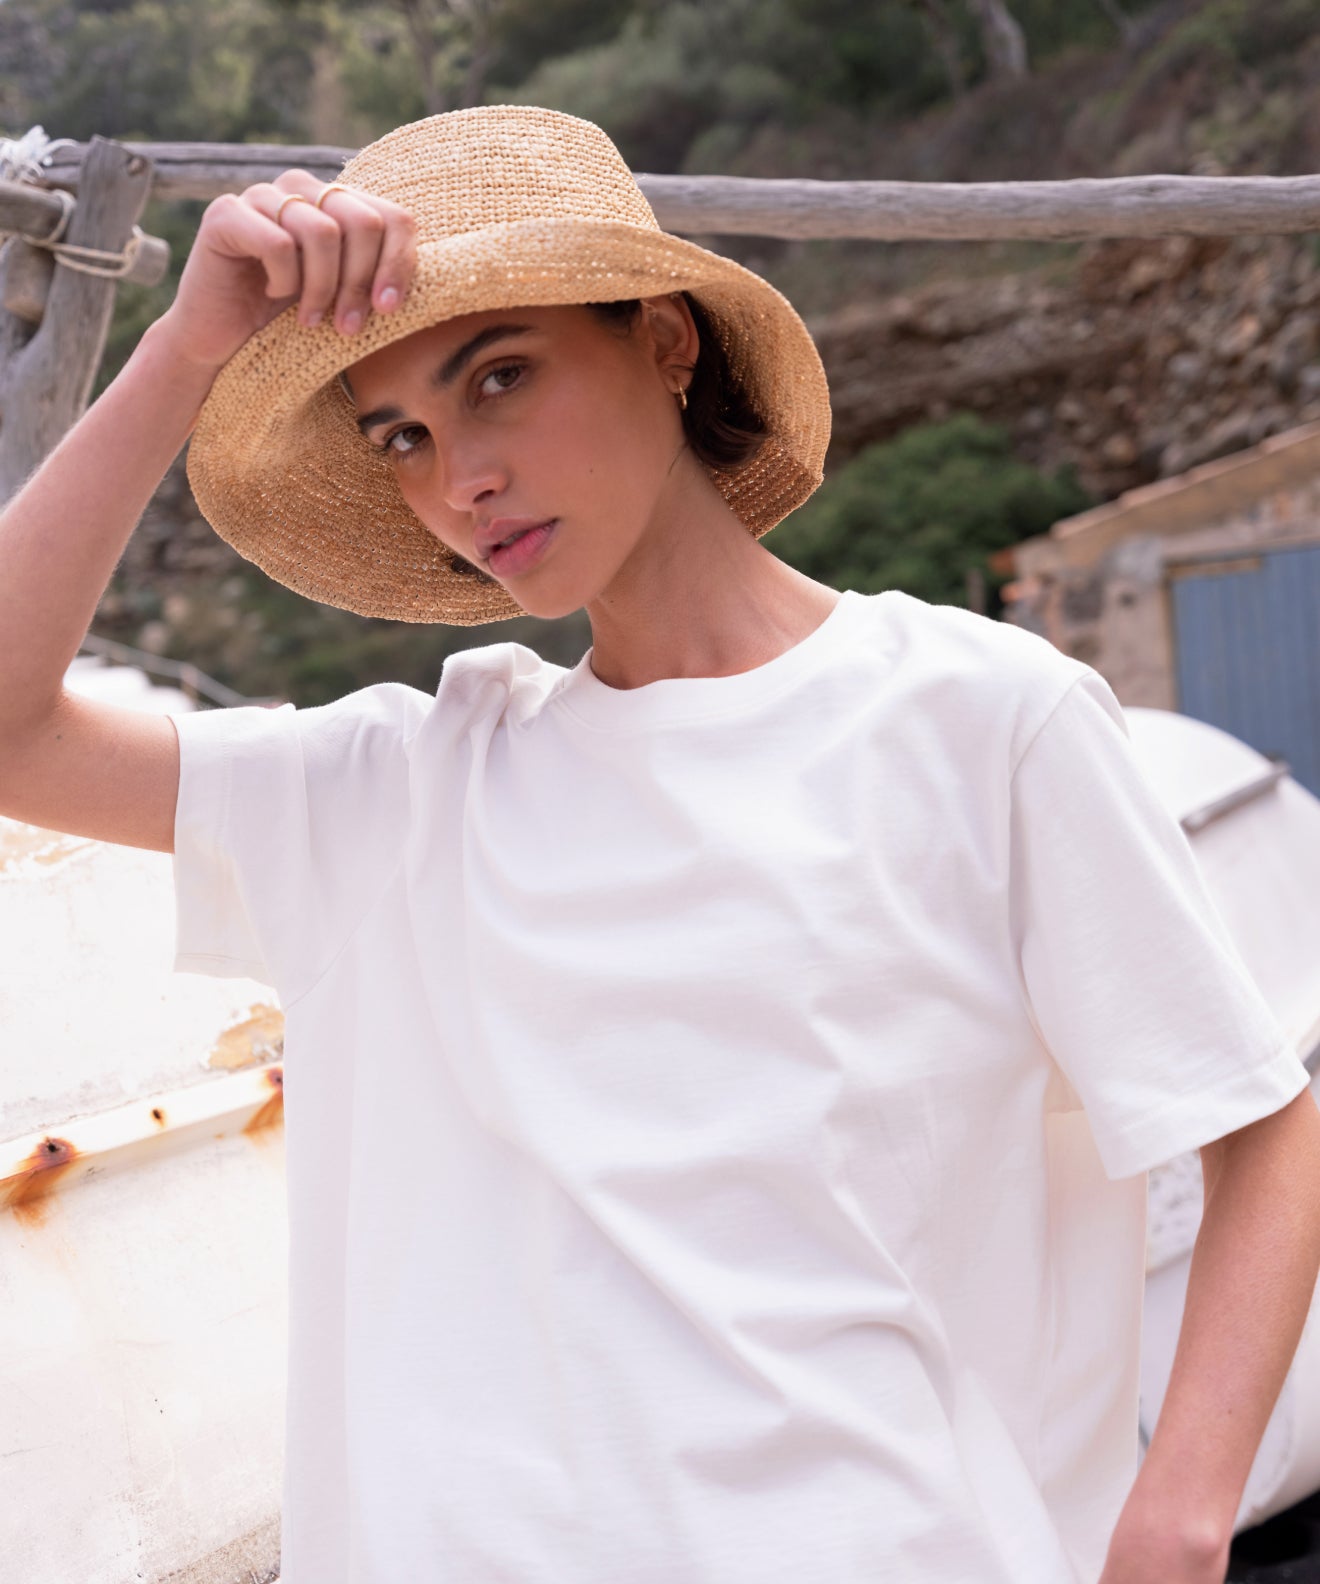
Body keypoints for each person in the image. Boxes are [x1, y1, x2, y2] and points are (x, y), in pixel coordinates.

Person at [2, 103, 1319, 1584]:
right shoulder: (403, 793)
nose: (459, 477)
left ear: (667, 342)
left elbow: (1260, 1121)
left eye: (499, 377)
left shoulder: (979, 719)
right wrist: (184, 352)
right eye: (402, 436)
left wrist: (1181, 1523)